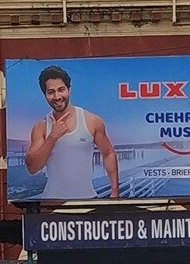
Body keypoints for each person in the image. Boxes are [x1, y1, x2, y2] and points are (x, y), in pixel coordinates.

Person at [24, 65, 119, 199]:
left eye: (61, 90)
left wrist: (115, 191)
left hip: (87, 200)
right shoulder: (41, 127)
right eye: (51, 92)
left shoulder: (91, 120)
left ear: (69, 89)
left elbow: (108, 153)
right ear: (45, 95)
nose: (57, 96)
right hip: (52, 202)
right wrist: (52, 137)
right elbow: (32, 167)